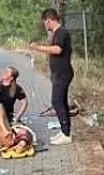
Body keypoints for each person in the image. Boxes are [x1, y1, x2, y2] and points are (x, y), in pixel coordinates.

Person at [29, 9, 74, 146]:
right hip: (58, 73)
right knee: (61, 102)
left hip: (63, 73)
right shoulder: (56, 33)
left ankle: (66, 134)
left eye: (45, 23)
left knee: (57, 101)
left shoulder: (61, 33)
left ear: (49, 20)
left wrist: (38, 47)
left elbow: (57, 49)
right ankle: (64, 131)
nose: (45, 26)